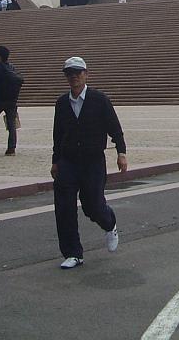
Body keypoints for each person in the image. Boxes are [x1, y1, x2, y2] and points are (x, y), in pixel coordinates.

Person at [50, 56, 127, 269]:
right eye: (70, 74)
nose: (74, 77)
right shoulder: (62, 103)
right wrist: (55, 161)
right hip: (68, 161)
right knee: (64, 207)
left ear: (86, 74)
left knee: (93, 206)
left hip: (93, 161)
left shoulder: (99, 99)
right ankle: (73, 253)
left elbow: (115, 127)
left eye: (78, 73)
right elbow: (58, 134)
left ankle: (109, 224)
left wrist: (121, 152)